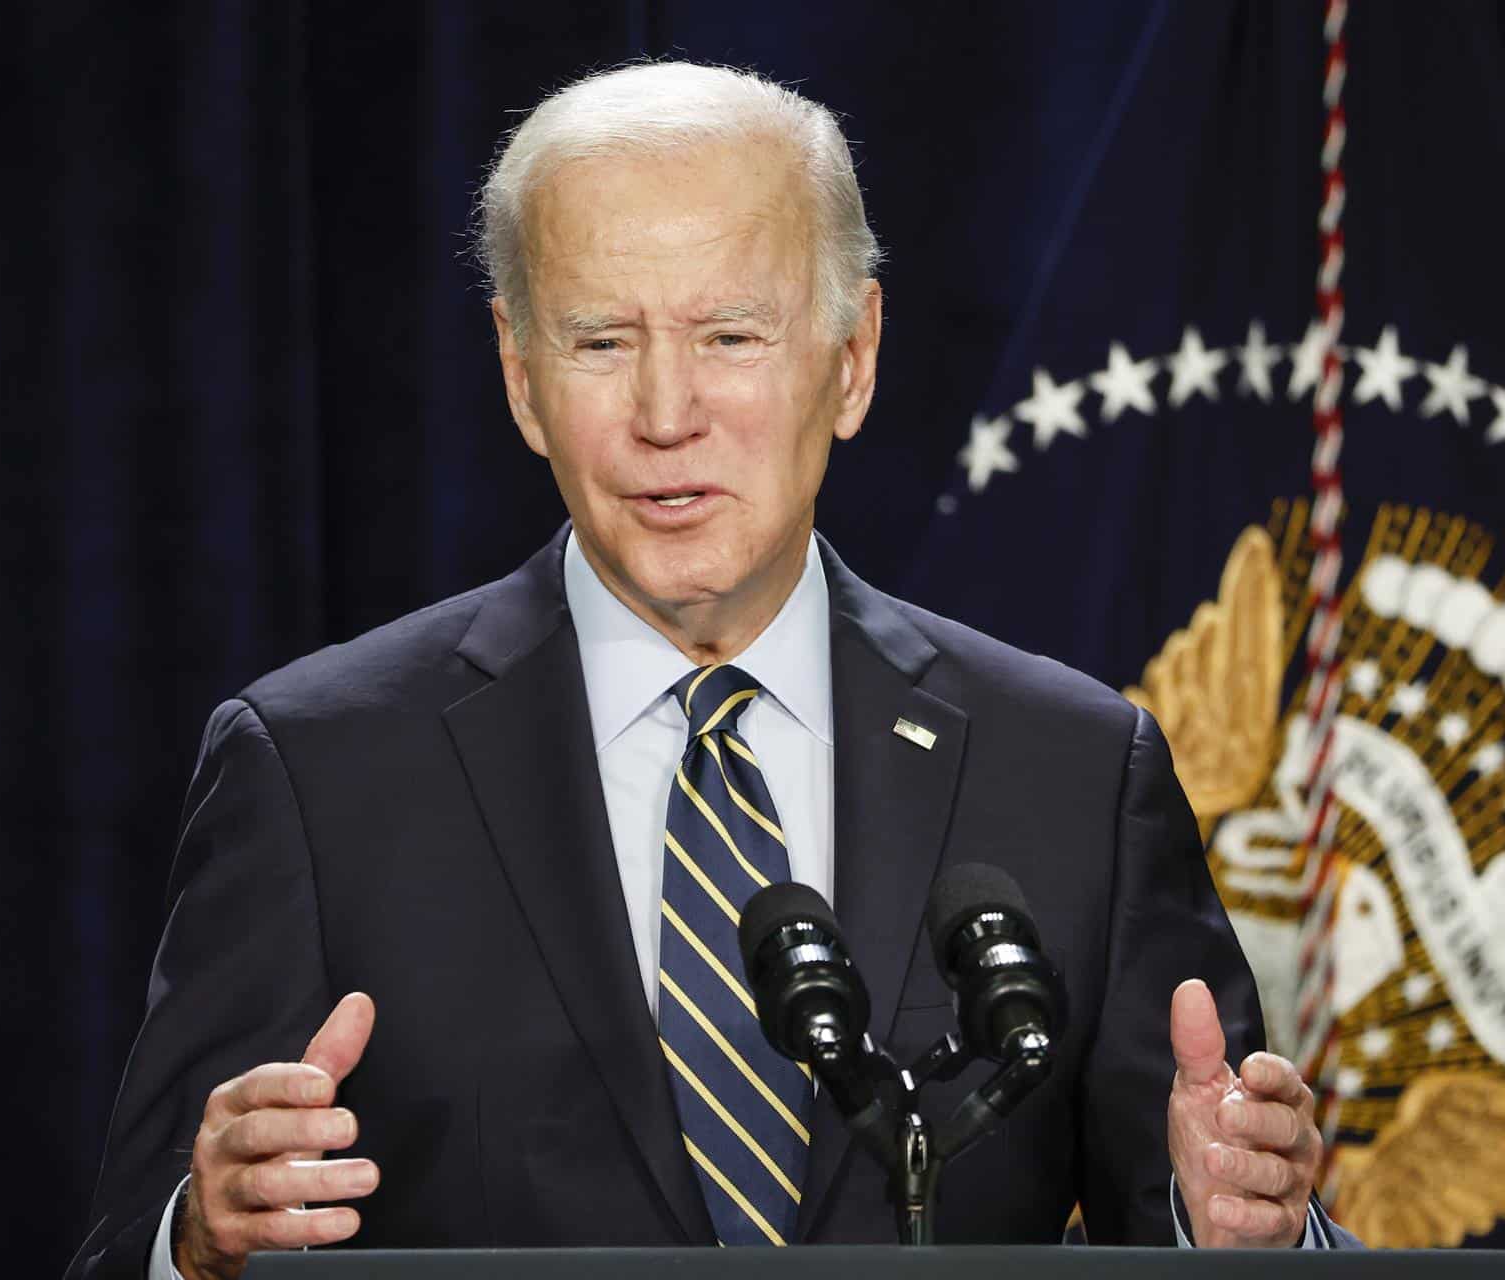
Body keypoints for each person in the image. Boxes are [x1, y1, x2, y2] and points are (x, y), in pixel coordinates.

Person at [67, 61, 1352, 1280]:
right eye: (600, 343)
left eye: (731, 335)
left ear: (850, 359)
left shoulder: (1072, 771)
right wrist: (201, 1236)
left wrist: (1233, 1220)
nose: (667, 411)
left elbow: (1204, 1206)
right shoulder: (318, 771)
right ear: (521, 381)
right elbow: (135, 1243)